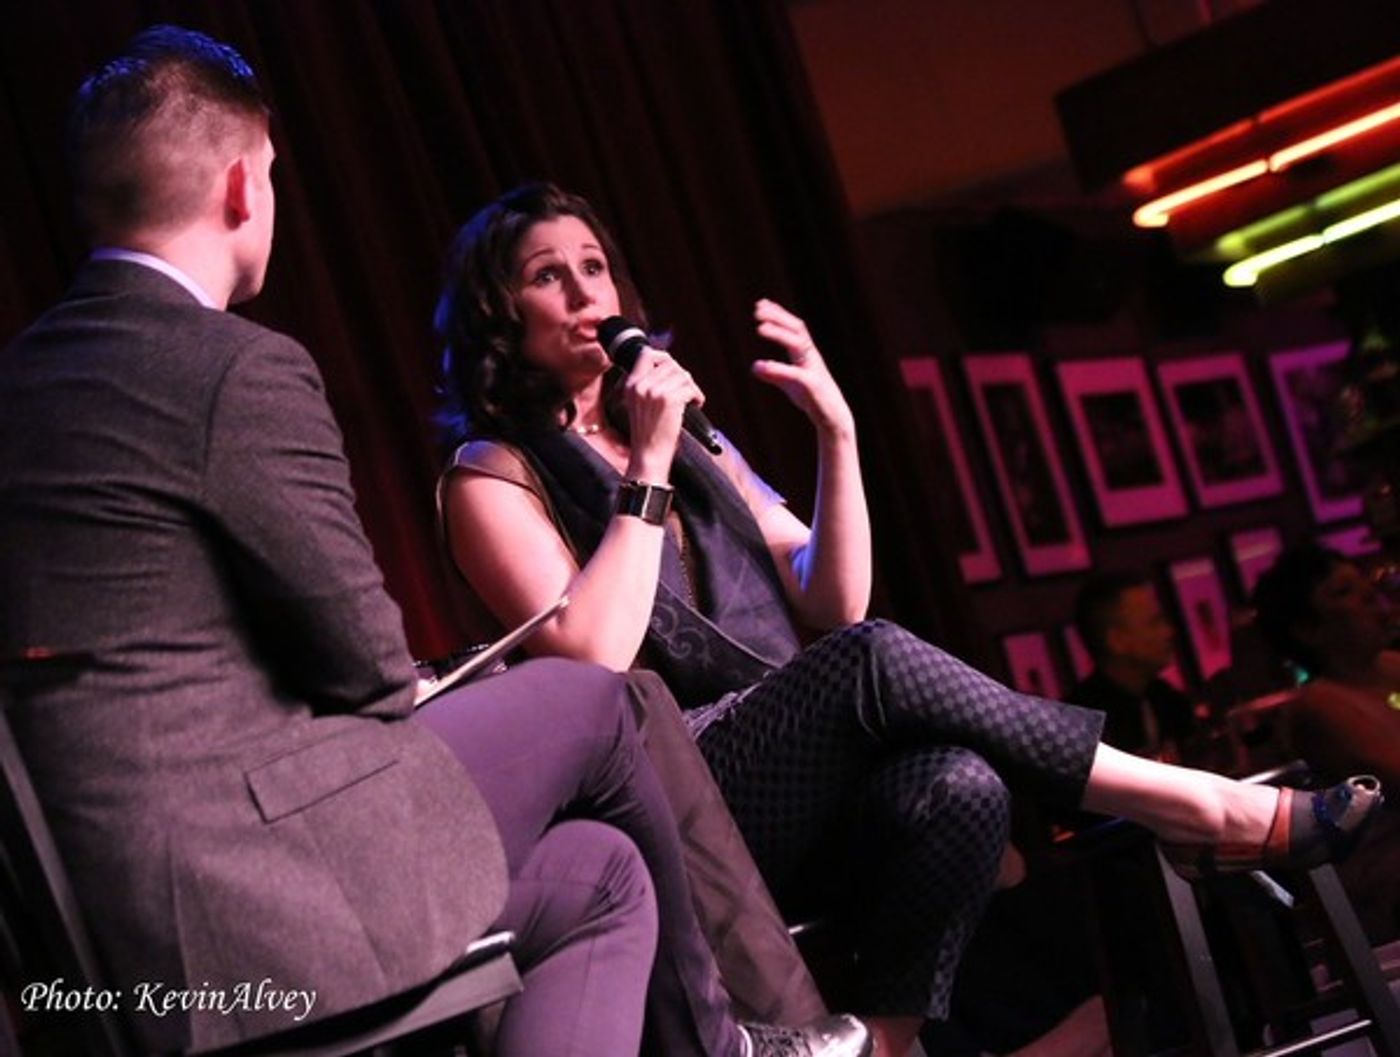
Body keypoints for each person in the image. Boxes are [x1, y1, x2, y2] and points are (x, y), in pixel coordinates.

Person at [0, 29, 870, 1057]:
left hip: (85, 969)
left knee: (597, 873)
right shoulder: (233, 369)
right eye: (273, 178)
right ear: (242, 186)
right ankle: (742, 1045)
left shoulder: (21, 381)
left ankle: (740, 1039)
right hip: (244, 910)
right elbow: (367, 668)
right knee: (605, 698)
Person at [431, 182, 1385, 1057]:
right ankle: (1199, 807)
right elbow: (592, 659)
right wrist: (644, 463)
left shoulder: (692, 440)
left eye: (594, 265)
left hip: (791, 783)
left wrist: (836, 431)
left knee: (959, 786)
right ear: (500, 314)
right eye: (546, 276)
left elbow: (827, 593)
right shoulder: (490, 472)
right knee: (870, 657)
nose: (584, 291)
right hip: (679, 799)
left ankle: (881, 1044)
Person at [1253, 544, 1400, 941]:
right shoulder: (1320, 705)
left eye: (1361, 583)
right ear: (1308, 630)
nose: (1369, 594)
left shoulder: (1392, 664)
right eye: (1343, 593)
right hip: (1386, 891)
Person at [1069, 572, 1199, 762]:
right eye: (1154, 623)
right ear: (1118, 641)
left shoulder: (1169, 701)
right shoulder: (1081, 724)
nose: (1169, 631)